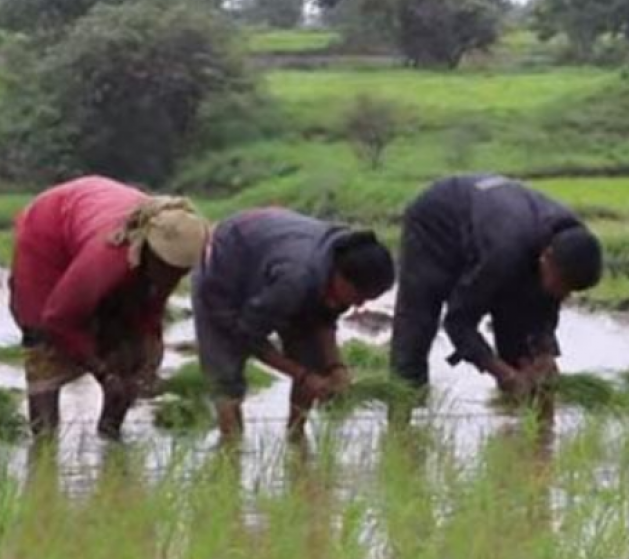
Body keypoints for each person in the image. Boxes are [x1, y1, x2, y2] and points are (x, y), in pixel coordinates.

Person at [8, 176, 209, 439]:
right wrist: (103, 373)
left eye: (181, 271)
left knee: (134, 353)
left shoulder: (172, 254)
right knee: (44, 346)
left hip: (96, 211)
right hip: (49, 230)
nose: (173, 278)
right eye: (167, 269)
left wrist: (146, 358)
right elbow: (58, 319)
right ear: (146, 251)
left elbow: (149, 311)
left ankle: (109, 435)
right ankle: (43, 444)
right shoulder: (108, 257)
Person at [390, 175, 603, 398]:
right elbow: (458, 322)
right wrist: (501, 373)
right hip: (437, 221)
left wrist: (544, 352)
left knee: (521, 329)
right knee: (418, 317)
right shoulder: (503, 253)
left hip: (497, 222)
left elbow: (544, 305)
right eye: (562, 285)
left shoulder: (571, 240)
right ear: (546, 258)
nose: (563, 295)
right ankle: (402, 411)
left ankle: (525, 422)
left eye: (570, 291)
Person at [191, 208, 395, 441]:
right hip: (225, 266)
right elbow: (249, 338)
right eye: (359, 295)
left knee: (310, 353)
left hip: (275, 255)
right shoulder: (295, 279)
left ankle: (296, 436)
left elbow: (325, 318)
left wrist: (335, 368)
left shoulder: (345, 258)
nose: (359, 305)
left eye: (368, 299)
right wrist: (303, 376)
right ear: (340, 276)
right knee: (225, 373)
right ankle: (231, 446)